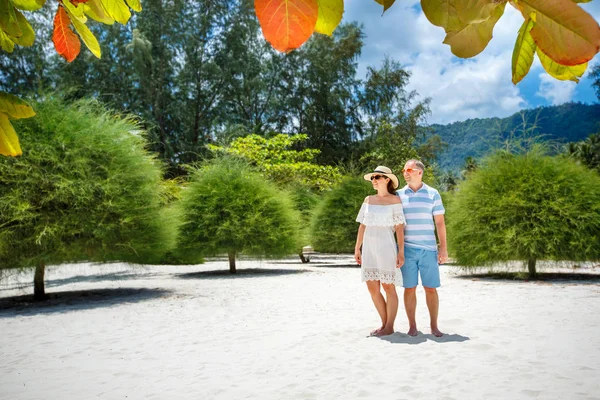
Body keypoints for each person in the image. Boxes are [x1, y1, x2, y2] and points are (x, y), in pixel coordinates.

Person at [397, 159, 447, 337]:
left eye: (409, 169)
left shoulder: (433, 193)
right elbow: (396, 225)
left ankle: (434, 326)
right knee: (409, 288)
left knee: (430, 288)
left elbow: (440, 223)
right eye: (404, 170)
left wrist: (443, 249)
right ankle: (412, 326)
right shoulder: (398, 195)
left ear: (420, 172)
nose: (405, 172)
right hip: (407, 250)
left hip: (429, 250)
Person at [355, 166, 406, 337]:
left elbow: (399, 228)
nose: (374, 180)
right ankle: (384, 324)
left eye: (378, 177)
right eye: (373, 178)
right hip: (369, 247)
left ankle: (389, 326)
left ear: (387, 180)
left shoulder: (395, 201)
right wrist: (357, 248)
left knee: (388, 286)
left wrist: (401, 252)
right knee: (372, 287)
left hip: (386, 246)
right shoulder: (368, 199)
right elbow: (362, 225)